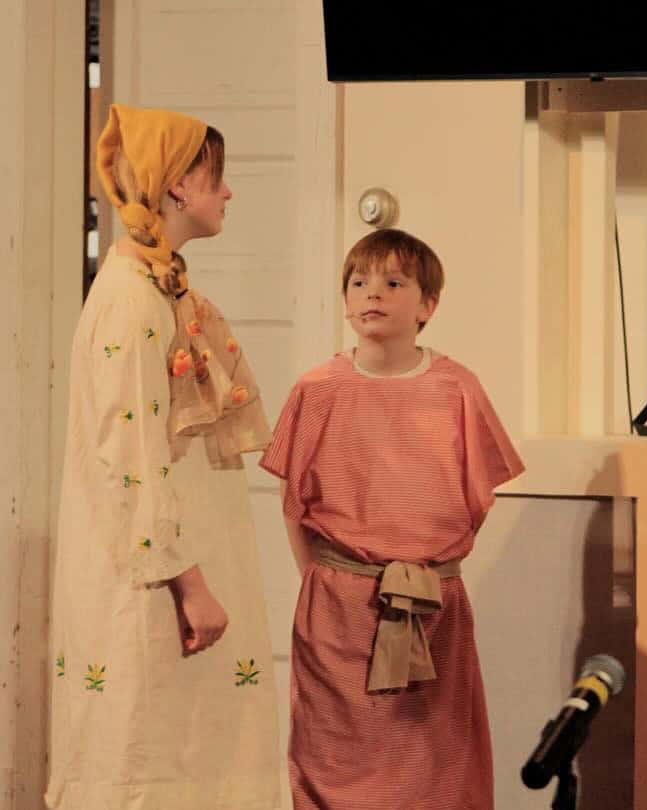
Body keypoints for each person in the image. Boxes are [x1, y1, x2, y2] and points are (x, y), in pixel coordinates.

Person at [47, 104, 281, 808]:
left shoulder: (160, 290)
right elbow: (130, 455)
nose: (227, 192)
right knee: (141, 760)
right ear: (178, 185)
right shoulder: (131, 302)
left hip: (176, 563)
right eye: (215, 178)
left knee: (184, 755)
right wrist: (190, 585)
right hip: (150, 580)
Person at [261, 228, 524, 810]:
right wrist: (325, 578)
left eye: (393, 282)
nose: (372, 293)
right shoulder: (317, 389)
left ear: (428, 304)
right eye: (358, 282)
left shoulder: (457, 387)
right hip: (339, 606)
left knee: (435, 756)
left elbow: (478, 497)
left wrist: (425, 566)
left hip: (431, 602)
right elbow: (292, 499)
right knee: (332, 751)